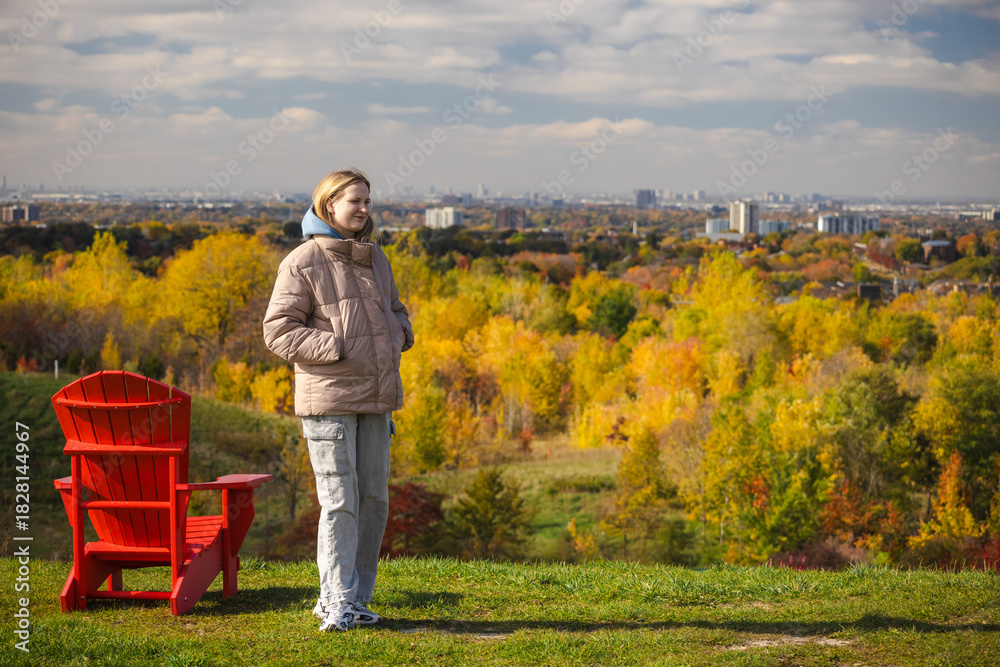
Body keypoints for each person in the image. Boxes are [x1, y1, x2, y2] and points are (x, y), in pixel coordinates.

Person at [263, 168, 414, 631]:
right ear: (329, 206)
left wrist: (399, 333)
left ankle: (358, 599)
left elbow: (395, 309)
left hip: (377, 396)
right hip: (329, 400)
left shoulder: (375, 259)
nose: (365, 209)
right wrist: (337, 347)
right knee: (340, 499)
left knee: (373, 499)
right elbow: (278, 330)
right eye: (355, 201)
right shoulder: (303, 261)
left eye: (368, 200)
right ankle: (335, 600)